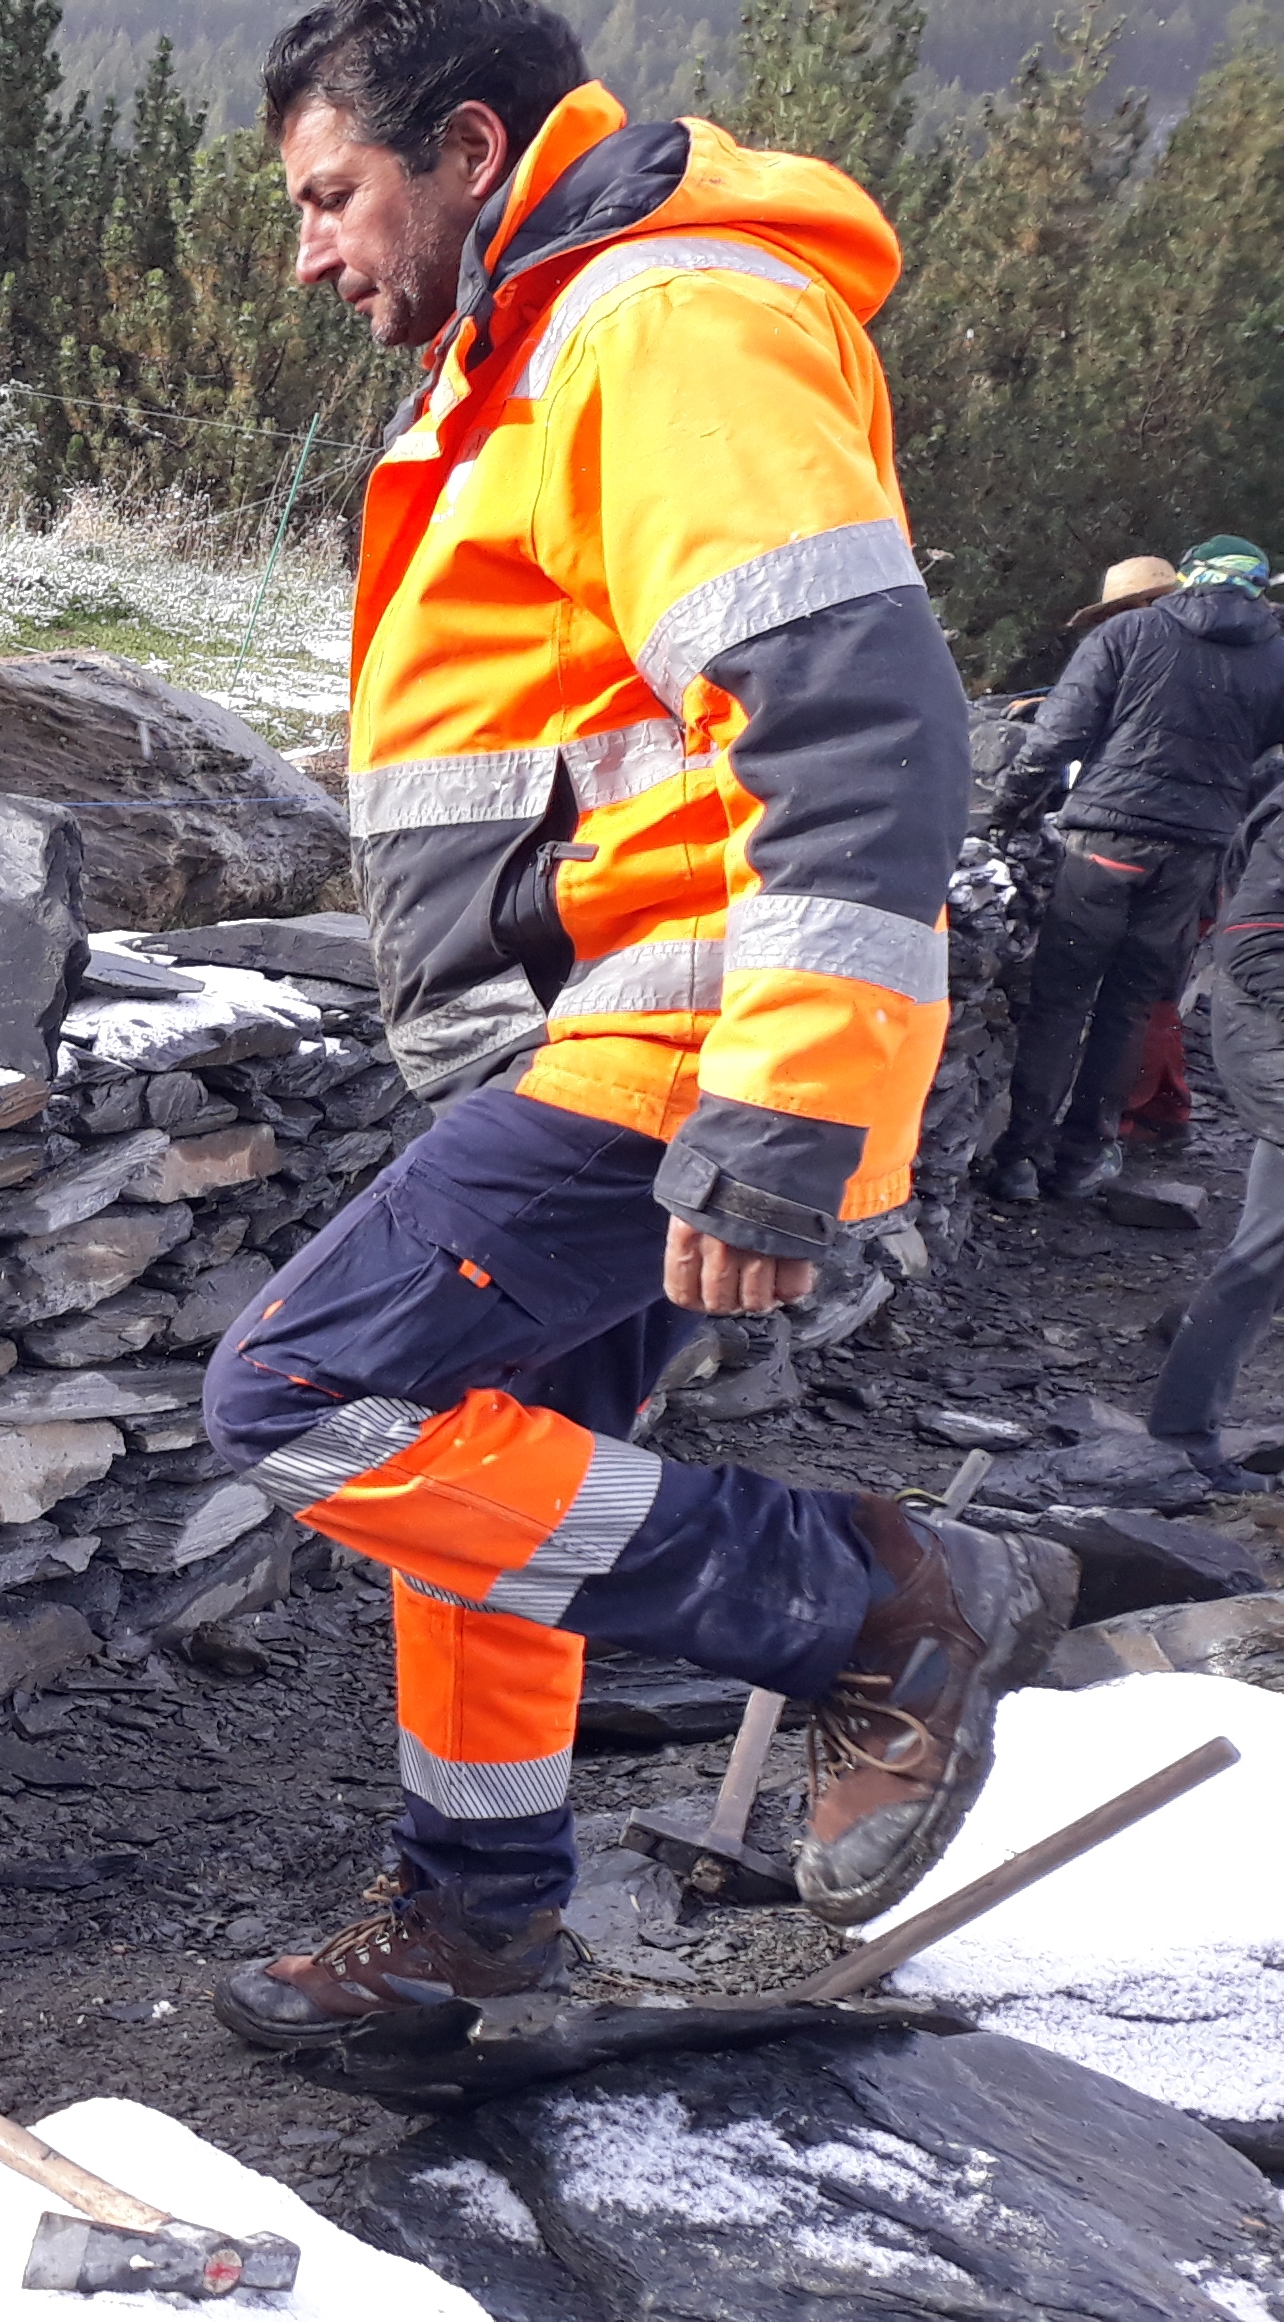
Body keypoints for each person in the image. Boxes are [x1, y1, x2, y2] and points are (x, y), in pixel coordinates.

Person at [200, 0, 1078, 2048]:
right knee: (511, 1479)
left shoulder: (659, 318)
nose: (311, 253)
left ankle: (889, 1605)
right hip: (601, 1025)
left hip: (680, 1031)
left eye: (333, 199)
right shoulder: (532, 347)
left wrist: (786, 1105)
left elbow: (854, 715)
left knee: (308, 1392)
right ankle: (481, 1917)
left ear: (475, 150)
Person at [986, 542, 1284, 1201]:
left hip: (1105, 839)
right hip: (1194, 852)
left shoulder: (1129, 632)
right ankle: (1082, 1159)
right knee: (1129, 1006)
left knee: (1062, 1001)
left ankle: (1018, 1161)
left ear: (1189, 577)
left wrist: (1008, 809)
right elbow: (1272, 766)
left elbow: (1059, 733)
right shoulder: (1276, 654)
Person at [1147, 782, 1284, 1478]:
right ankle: (1178, 1438)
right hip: (1271, 1034)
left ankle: (1182, 1419)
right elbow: (1254, 946)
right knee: (1266, 1249)